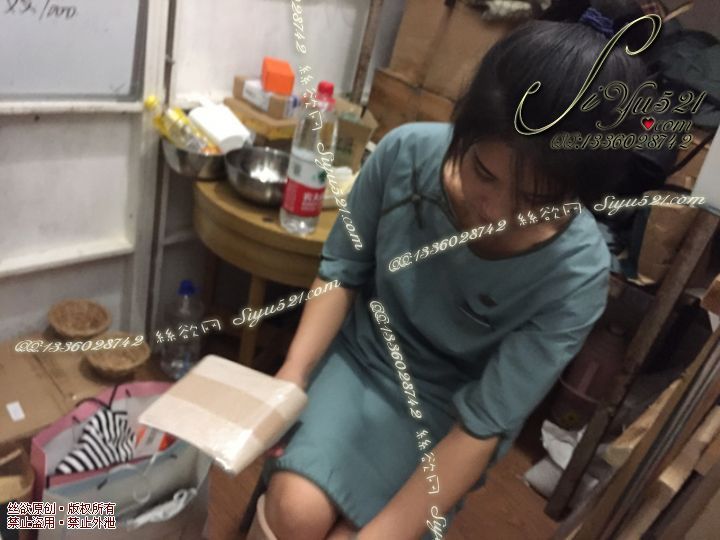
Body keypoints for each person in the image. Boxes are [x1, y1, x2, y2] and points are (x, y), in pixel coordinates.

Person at [250, 1, 648, 538]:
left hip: (451, 416)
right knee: (297, 512)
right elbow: (342, 268)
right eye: (483, 172)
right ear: (466, 125)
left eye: (535, 200)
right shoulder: (406, 155)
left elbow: (484, 423)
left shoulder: (578, 275)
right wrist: (293, 375)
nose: (496, 211)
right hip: (364, 357)